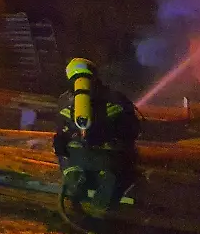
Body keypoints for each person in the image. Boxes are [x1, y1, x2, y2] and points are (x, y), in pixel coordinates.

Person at [53, 58, 140, 223]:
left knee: (73, 171)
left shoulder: (64, 101)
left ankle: (74, 185)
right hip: (110, 159)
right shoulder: (116, 98)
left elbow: (60, 134)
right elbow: (134, 131)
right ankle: (99, 214)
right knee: (115, 176)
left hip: (76, 158)